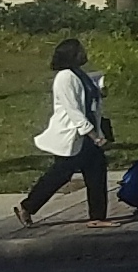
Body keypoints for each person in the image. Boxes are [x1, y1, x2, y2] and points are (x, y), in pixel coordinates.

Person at [17, 36, 113, 226]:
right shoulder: (65, 77)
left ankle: (97, 217)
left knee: (97, 171)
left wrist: (99, 92)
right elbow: (74, 111)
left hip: (84, 136)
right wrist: (93, 136)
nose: (84, 54)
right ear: (72, 55)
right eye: (80, 51)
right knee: (60, 175)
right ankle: (27, 207)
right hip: (74, 135)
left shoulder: (79, 74)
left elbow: (89, 97)